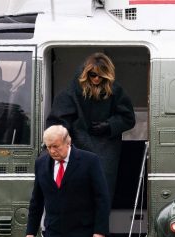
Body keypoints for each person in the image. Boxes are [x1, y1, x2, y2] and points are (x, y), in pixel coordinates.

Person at [47, 52, 135, 203]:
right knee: (78, 191)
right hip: (78, 147)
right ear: (86, 74)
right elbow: (58, 122)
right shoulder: (71, 92)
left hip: (107, 148)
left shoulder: (115, 91)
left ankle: (100, 219)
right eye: (93, 75)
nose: (96, 79)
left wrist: (109, 125)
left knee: (102, 191)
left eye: (101, 76)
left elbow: (128, 118)